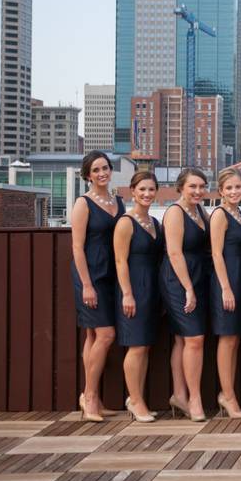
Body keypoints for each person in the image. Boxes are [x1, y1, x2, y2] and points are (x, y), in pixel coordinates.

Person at [70, 150, 125, 422]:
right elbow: (77, 248)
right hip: (90, 276)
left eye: (105, 168)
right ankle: (89, 396)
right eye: (96, 170)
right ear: (88, 175)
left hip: (112, 276)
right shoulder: (84, 203)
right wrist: (86, 285)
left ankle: (93, 397)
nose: (102, 173)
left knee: (93, 337)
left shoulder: (117, 200)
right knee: (105, 335)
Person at [160, 168, 211, 422]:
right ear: (180, 187)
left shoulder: (200, 211)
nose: (198, 191)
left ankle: (179, 395)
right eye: (193, 186)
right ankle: (194, 398)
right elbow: (174, 253)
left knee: (182, 340)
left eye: (202, 186)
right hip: (178, 280)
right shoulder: (175, 212)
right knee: (195, 339)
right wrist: (188, 288)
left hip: (198, 276)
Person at [113, 171, 162, 423]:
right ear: (132, 191)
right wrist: (127, 294)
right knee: (136, 345)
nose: (146, 194)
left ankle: (138, 398)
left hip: (153, 287)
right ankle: (135, 399)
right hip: (133, 287)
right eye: (142, 189)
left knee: (145, 345)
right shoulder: (125, 222)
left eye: (151, 189)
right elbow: (120, 260)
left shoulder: (154, 222)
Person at [209, 168, 241, 419]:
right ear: (221, 191)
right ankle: (227, 395)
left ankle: (229, 393)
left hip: (239, 278)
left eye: (237, 187)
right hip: (226, 280)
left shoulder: (239, 213)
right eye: (229, 188)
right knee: (226, 339)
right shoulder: (220, 215)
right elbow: (216, 253)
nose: (234, 191)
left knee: (234, 339)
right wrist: (225, 287)